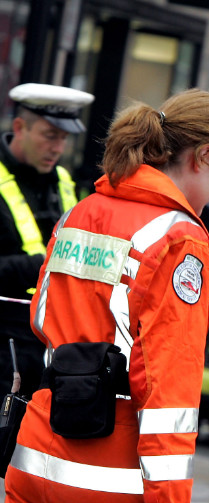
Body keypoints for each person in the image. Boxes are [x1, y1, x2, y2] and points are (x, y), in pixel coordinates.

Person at [0, 88, 209, 503]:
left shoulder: (79, 213)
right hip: (115, 470)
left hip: (37, 456)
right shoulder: (179, 237)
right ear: (202, 156)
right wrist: (169, 497)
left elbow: (41, 317)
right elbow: (170, 373)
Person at [0, 83, 94, 399]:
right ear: (19, 127)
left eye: (64, 138)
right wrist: (37, 267)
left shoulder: (64, 182)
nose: (58, 148)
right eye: (49, 135)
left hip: (47, 342)